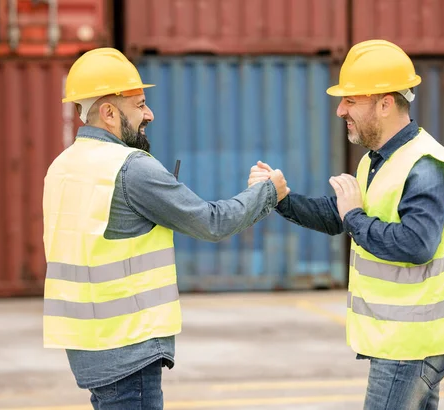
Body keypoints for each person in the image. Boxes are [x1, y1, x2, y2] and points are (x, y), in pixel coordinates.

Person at [42, 47, 289, 409]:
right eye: (140, 104)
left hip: (88, 348)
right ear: (109, 113)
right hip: (129, 349)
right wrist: (267, 192)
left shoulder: (61, 168)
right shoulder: (129, 168)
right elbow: (211, 222)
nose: (149, 114)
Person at [249, 39, 444, 410]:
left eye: (351, 100)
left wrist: (355, 216)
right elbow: (337, 216)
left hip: (412, 341)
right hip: (402, 337)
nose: (340, 110)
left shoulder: (427, 164)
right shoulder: (378, 159)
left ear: (385, 102)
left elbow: (415, 245)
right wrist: (279, 197)